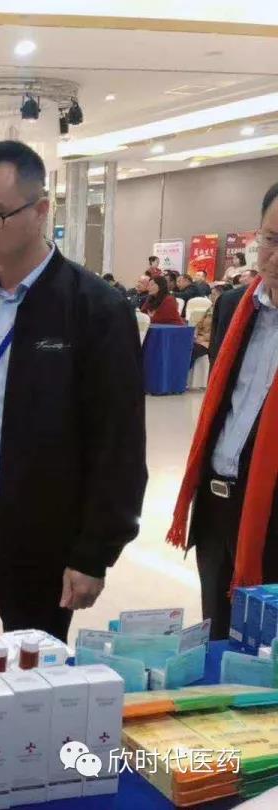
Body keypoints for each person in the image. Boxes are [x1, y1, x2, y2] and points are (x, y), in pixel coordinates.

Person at [0, 140, 147, 643]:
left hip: (40, 534)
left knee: (31, 674)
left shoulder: (94, 307)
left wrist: (94, 553)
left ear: (41, 211)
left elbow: (119, 443)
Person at [167, 182, 278, 639]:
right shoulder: (235, 306)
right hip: (217, 504)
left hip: (271, 513)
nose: (275, 257)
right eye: (271, 239)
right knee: (217, 637)